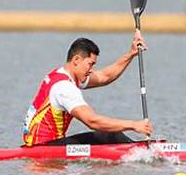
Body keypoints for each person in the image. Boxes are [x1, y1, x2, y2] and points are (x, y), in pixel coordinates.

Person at [22, 30, 153, 146]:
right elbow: (92, 121)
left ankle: (135, 150)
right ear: (76, 60)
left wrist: (130, 54)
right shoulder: (64, 88)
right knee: (110, 136)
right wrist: (134, 125)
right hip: (44, 149)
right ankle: (139, 152)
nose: (91, 70)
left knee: (107, 136)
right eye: (90, 64)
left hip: (41, 144)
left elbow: (105, 77)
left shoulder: (62, 74)